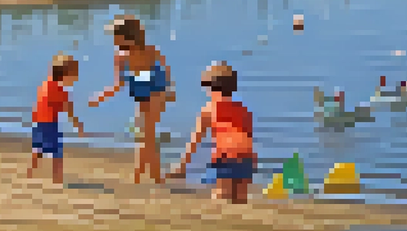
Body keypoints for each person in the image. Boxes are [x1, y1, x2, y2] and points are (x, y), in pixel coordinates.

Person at [89, 15, 176, 184]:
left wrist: (169, 89)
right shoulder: (123, 56)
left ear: (128, 35)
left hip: (155, 91)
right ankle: (140, 175)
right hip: (142, 90)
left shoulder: (148, 51)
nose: (114, 40)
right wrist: (100, 97)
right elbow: (119, 84)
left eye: (116, 36)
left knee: (148, 136)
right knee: (142, 135)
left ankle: (155, 176)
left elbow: (164, 69)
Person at [168, 62, 255, 204]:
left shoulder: (209, 109)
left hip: (226, 155)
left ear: (209, 87)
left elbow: (195, 140)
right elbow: (248, 137)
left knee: (222, 195)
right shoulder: (243, 109)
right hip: (246, 157)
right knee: (240, 198)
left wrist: (182, 166)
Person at [28, 53, 86, 184]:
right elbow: (68, 110)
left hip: (38, 122)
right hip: (49, 123)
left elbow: (42, 103)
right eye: (74, 75)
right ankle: (57, 178)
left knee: (38, 148)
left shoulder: (46, 83)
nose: (76, 78)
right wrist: (78, 125)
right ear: (65, 76)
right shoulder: (60, 91)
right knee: (56, 152)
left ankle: (31, 171)